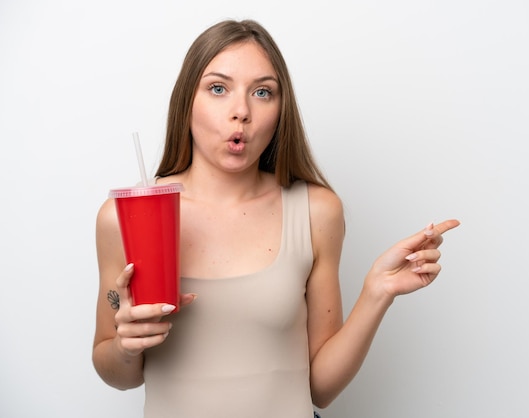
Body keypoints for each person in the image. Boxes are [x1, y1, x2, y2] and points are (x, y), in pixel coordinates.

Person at [92, 19, 460, 418]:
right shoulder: (124, 218)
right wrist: (126, 347)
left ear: (280, 110)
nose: (241, 112)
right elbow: (118, 374)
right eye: (218, 88)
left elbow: (320, 388)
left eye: (262, 92)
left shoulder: (317, 211)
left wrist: (377, 292)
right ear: (187, 101)